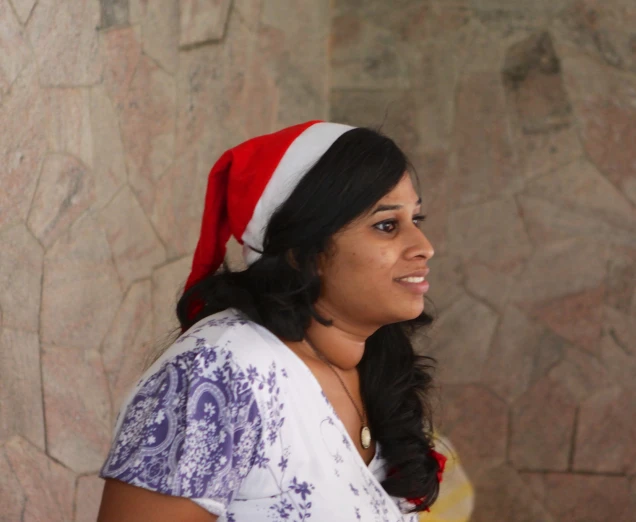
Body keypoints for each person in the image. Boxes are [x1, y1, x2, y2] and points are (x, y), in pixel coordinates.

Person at [96, 121, 446, 522]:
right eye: (386, 226)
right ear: (301, 251)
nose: (425, 247)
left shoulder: (374, 366)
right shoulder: (218, 373)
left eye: (416, 221)